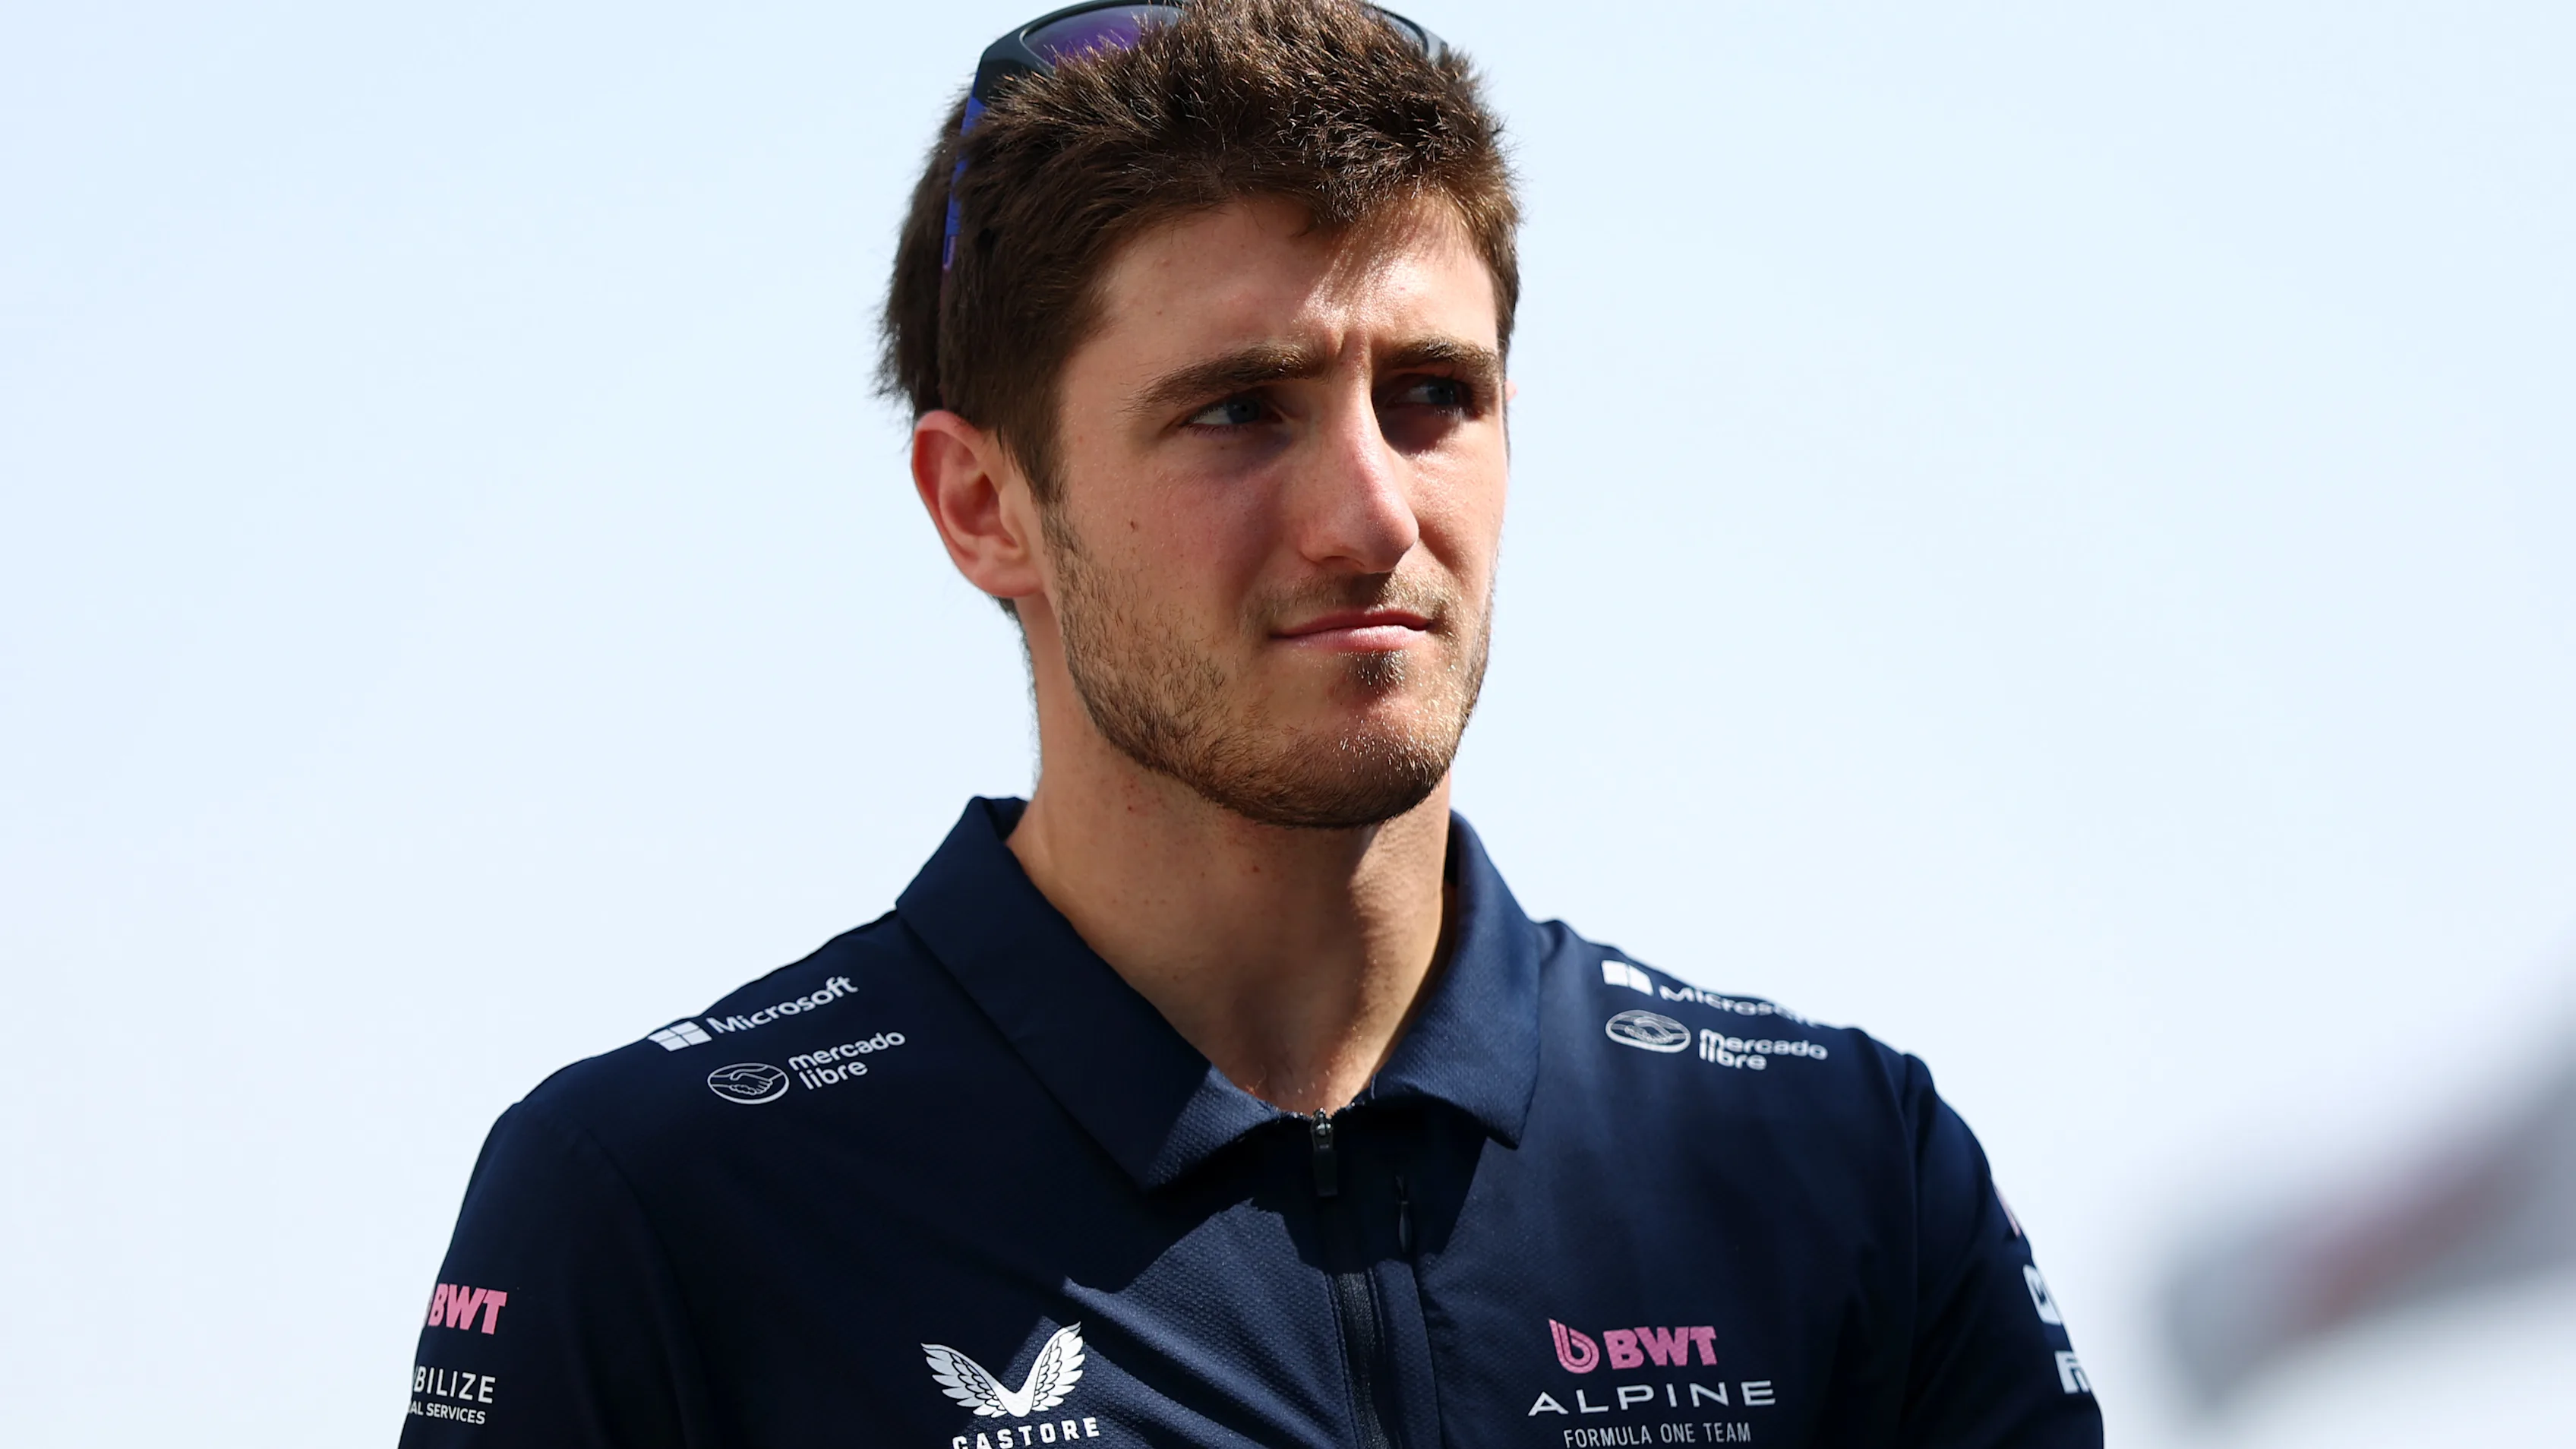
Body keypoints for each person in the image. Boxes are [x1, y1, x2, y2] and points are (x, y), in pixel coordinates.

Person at [398, 3, 2104, 1445]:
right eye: (1238, 411)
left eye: (1432, 396)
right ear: (983, 504)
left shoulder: (1844, 1172)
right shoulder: (663, 1207)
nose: (1373, 515)